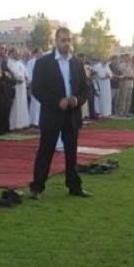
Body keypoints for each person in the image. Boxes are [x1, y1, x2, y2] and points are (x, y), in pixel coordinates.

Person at [29, 27, 91, 200]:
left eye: (69, 40)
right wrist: (57, 102)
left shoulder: (77, 63)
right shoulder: (44, 62)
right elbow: (37, 90)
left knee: (71, 153)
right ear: (55, 41)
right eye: (63, 40)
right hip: (52, 114)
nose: (66, 43)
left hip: (72, 114)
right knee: (46, 151)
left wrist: (77, 100)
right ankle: (37, 187)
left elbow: (86, 89)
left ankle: (74, 186)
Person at [8, 47, 29, 130]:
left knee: (22, 105)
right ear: (11, 53)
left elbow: (25, 73)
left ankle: (22, 123)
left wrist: (25, 77)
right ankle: (15, 124)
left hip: (22, 86)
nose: (18, 54)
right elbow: (14, 74)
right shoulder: (9, 63)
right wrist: (20, 78)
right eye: (16, 53)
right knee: (16, 105)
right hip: (16, 86)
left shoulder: (19, 63)